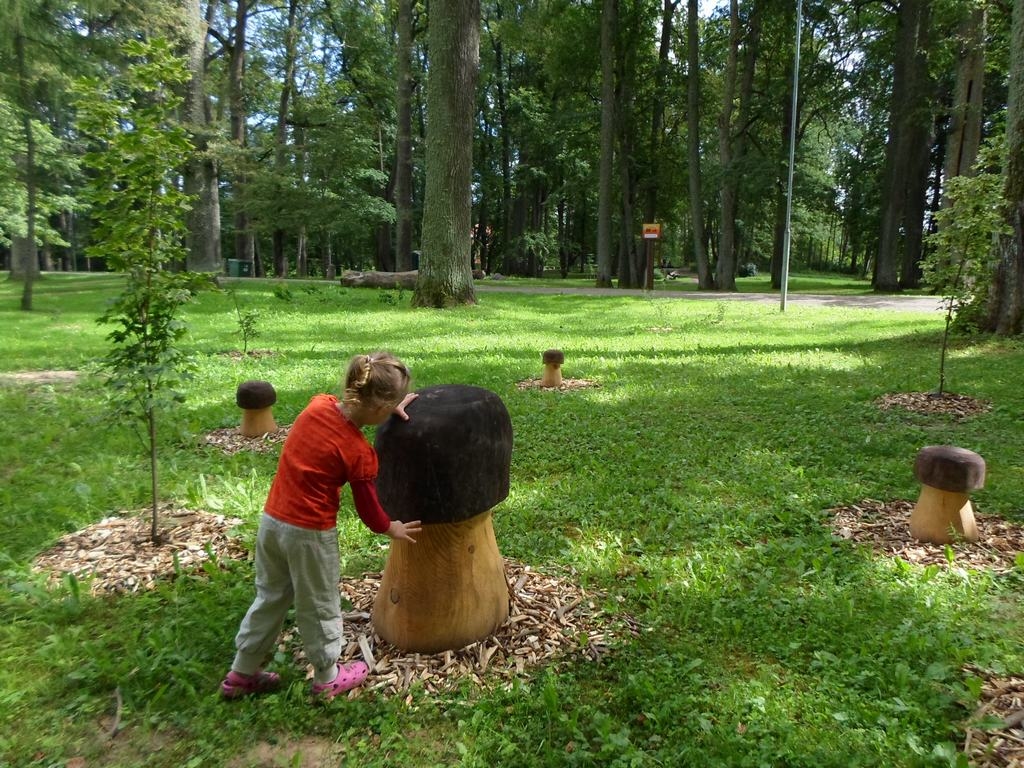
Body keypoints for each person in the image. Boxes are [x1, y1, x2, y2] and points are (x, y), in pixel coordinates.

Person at [221, 352, 422, 701]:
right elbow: (369, 510)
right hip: (309, 535)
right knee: (320, 603)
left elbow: (356, 414)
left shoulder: (317, 406)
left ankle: (242, 671)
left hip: (272, 524)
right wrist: (392, 528)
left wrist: (386, 405)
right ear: (380, 409)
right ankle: (328, 676)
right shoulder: (357, 452)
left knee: (270, 597)